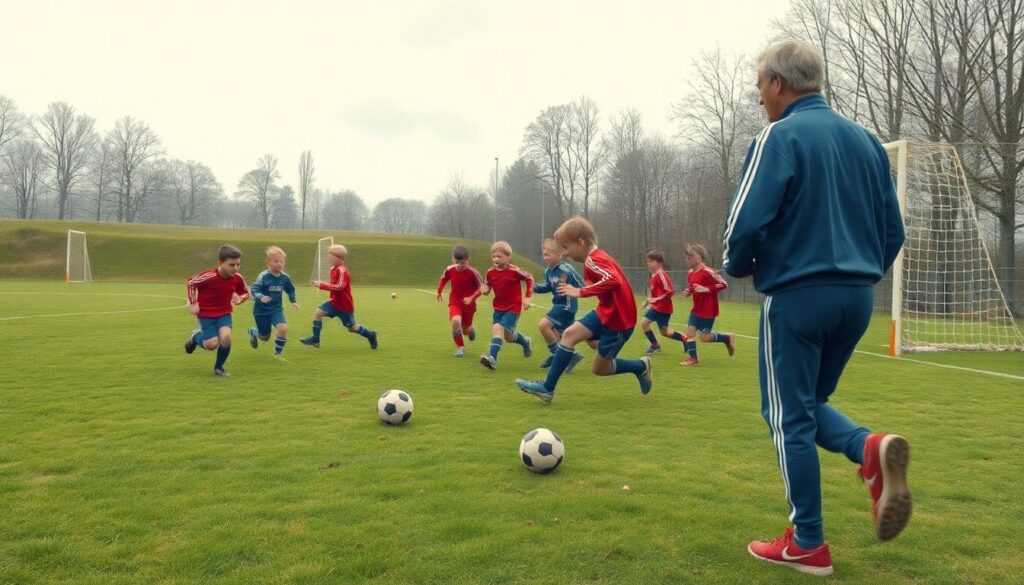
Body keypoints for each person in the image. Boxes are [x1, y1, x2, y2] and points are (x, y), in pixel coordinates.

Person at [725, 40, 909, 577]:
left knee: (786, 417)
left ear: (779, 84)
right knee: (808, 405)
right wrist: (858, 270)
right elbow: (892, 230)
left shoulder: (777, 136)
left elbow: (743, 225)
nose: (759, 97)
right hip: (856, 298)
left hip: (798, 296)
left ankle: (808, 541)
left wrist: (740, 265)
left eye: (760, 85)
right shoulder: (868, 142)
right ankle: (869, 447)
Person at [515, 217, 652, 402]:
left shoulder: (593, 260)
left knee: (599, 369)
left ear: (580, 242)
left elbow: (613, 280)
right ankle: (547, 389)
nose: (564, 253)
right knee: (569, 334)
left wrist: (581, 291)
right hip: (605, 311)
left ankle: (639, 367)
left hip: (619, 321)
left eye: (566, 247)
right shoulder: (595, 259)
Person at [183, 244, 250, 377]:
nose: (235, 268)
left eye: (238, 264)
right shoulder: (208, 276)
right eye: (231, 265)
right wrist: (193, 302)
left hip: (224, 313)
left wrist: (240, 298)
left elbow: (245, 293)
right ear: (220, 263)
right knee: (211, 344)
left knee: (226, 338)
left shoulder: (237, 278)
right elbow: (191, 283)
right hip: (206, 315)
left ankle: (218, 368)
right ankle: (195, 337)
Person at [467, 241, 534, 370]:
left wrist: (528, 297)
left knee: (497, 328)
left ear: (508, 257)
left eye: (499, 256)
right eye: (493, 256)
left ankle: (492, 359)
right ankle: (525, 342)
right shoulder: (490, 272)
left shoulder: (515, 271)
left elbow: (530, 278)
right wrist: (477, 295)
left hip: (513, 308)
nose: (496, 259)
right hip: (498, 308)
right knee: (508, 337)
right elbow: (486, 288)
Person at [299, 244, 378, 350]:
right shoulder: (334, 269)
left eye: (330, 256)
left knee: (352, 328)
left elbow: (340, 286)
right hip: (335, 303)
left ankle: (371, 335)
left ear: (338, 257)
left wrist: (322, 285)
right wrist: (321, 283)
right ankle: (315, 339)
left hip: (344, 306)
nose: (328, 258)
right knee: (318, 312)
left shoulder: (342, 270)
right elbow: (335, 285)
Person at [678, 244, 735, 366]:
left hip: (708, 310)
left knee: (704, 338)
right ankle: (693, 359)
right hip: (696, 309)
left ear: (698, 258)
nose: (686, 260)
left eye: (689, 258)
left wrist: (707, 289)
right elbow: (693, 288)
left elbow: (724, 284)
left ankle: (727, 338)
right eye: (686, 257)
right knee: (690, 332)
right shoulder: (690, 273)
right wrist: (689, 292)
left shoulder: (707, 272)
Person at [533, 238, 585, 373]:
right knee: (559, 336)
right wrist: (536, 287)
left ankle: (557, 357)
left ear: (560, 254)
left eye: (548, 254)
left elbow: (582, 284)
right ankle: (572, 357)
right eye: (544, 254)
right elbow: (548, 286)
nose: (545, 258)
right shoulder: (548, 271)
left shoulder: (567, 269)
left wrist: (573, 289)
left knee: (543, 325)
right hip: (558, 305)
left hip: (566, 306)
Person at [247, 246, 299, 360]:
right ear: (268, 262)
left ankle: (277, 354)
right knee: (265, 337)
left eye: (282, 261)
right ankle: (253, 332)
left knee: (283, 328)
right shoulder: (263, 276)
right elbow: (254, 289)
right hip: (261, 310)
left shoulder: (285, 277)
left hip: (276, 309)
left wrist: (293, 301)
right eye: (276, 261)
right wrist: (261, 297)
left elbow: (291, 290)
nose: (280, 264)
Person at [638, 249, 689, 356]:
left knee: (650, 325)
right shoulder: (652, 275)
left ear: (659, 262)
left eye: (651, 261)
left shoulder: (661, 275)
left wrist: (656, 300)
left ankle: (656, 345)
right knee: (661, 330)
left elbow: (670, 292)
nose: (649, 264)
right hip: (657, 307)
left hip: (663, 308)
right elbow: (655, 293)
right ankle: (682, 338)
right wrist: (648, 301)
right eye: (648, 261)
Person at [436, 245, 483, 357]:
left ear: (468, 260)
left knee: (465, 330)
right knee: (455, 321)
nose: (459, 265)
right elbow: (443, 279)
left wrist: (472, 298)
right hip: (455, 301)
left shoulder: (473, 273)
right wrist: (439, 291)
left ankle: (471, 330)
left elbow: (482, 288)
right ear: (453, 259)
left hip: (469, 305)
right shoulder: (450, 269)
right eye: (457, 262)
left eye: (462, 263)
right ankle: (460, 347)